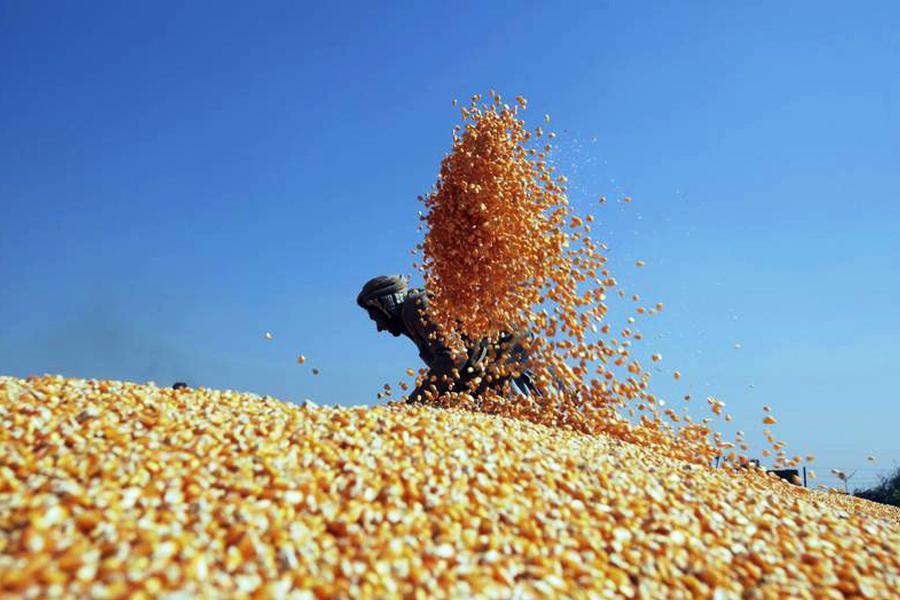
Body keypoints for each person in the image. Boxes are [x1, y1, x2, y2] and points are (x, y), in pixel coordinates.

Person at [356, 275, 536, 403]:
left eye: (375, 317)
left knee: (519, 408)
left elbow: (453, 357)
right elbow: (457, 367)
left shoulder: (416, 306)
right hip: (488, 366)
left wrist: (415, 402)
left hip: (507, 354)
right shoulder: (412, 317)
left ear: (385, 306)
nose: (379, 327)